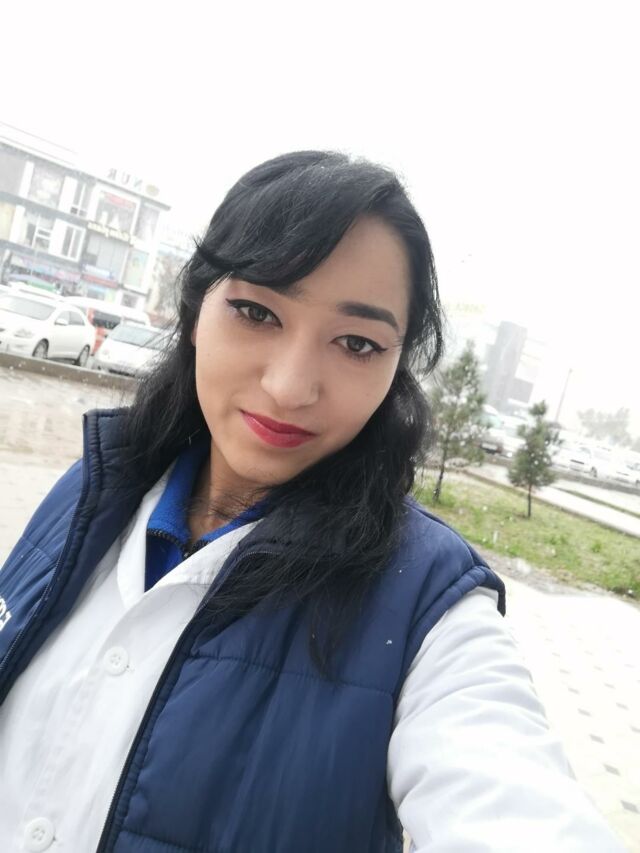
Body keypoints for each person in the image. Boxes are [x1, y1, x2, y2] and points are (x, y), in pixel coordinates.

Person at [0, 151, 624, 852]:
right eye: (256, 311)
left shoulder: (426, 603)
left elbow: (508, 794)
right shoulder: (91, 492)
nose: (291, 386)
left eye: (357, 343)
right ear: (196, 310)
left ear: (396, 367)